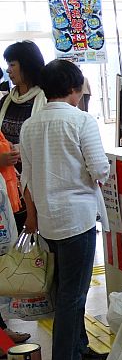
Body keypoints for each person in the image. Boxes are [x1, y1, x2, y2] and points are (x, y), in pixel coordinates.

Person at [19, 59, 110, 360]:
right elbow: (99, 169)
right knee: (75, 290)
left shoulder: (31, 125)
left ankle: (79, 348)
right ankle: (66, 358)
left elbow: (25, 178)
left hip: (47, 218)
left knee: (62, 287)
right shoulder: (82, 121)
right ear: (74, 87)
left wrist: (32, 214)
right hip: (78, 217)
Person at [1, 41, 46, 231]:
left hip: (38, 184)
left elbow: (48, 139)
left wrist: (21, 149)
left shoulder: (46, 99)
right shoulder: (5, 101)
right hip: (8, 186)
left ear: (26, 65)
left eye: (12, 64)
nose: (8, 70)